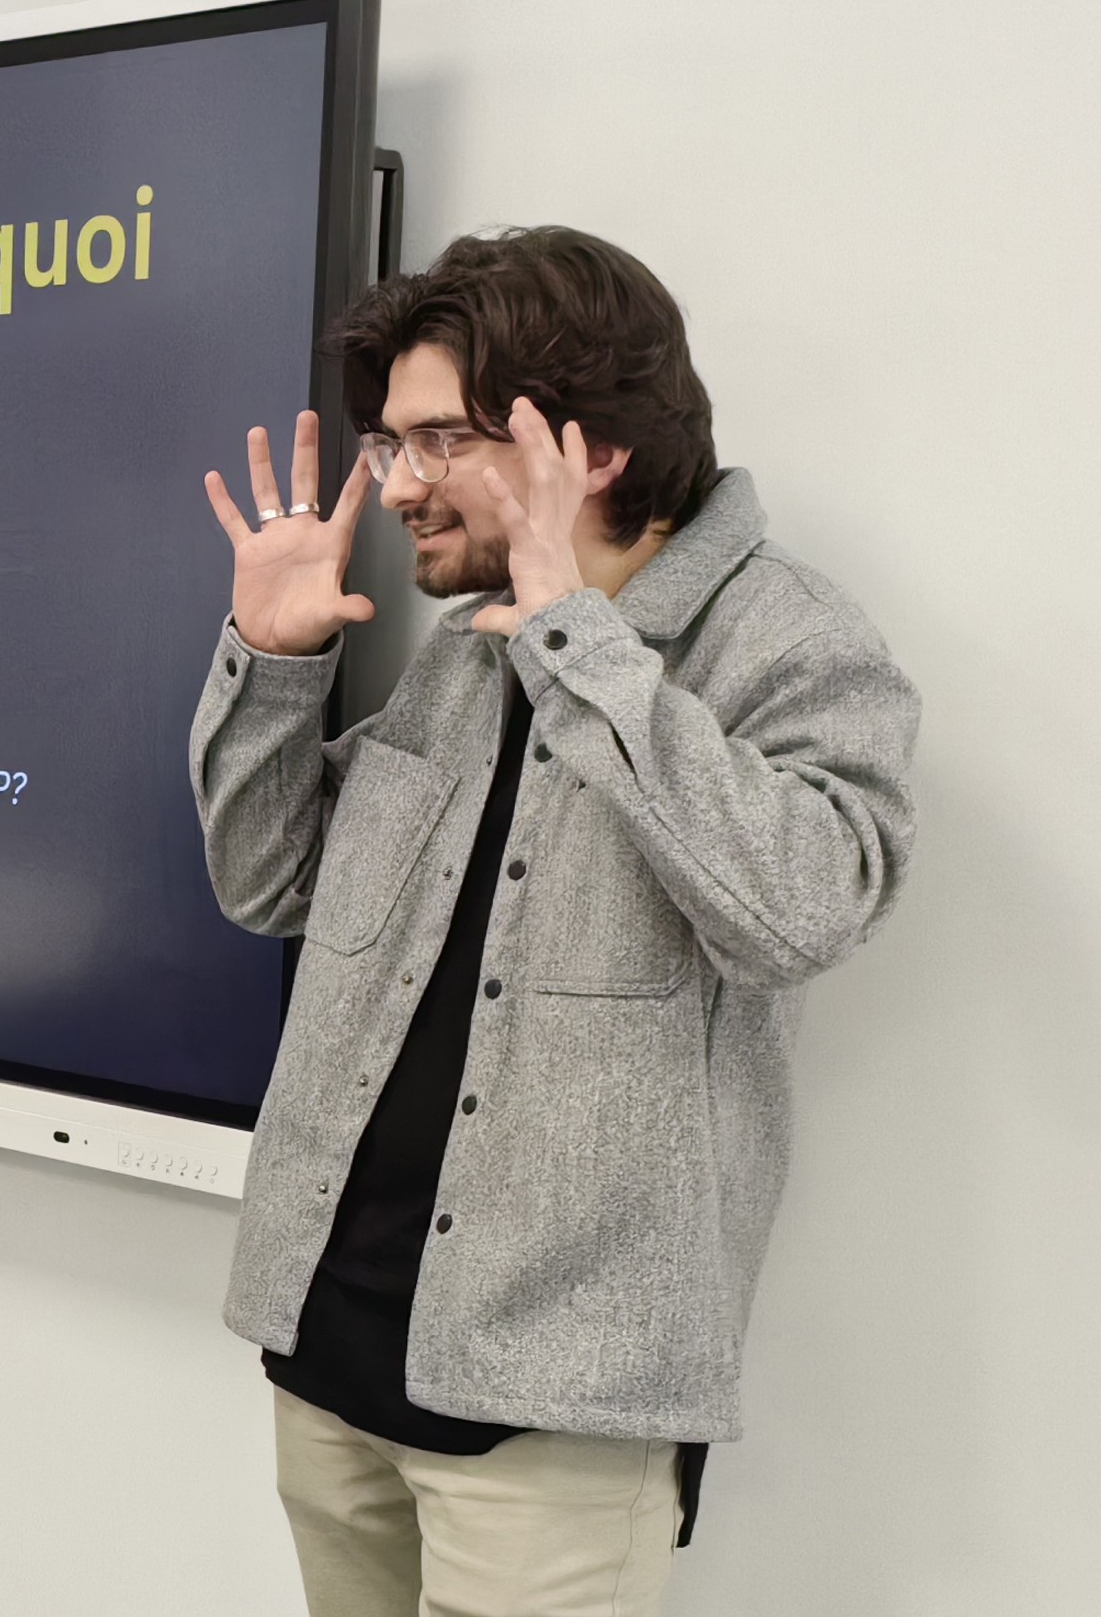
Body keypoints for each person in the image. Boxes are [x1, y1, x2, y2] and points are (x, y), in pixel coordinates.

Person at [192, 228, 918, 1615]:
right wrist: (277, 665)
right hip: (327, 1348)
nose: (396, 484)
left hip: (548, 1407)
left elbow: (803, 909)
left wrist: (576, 644)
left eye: (436, 439)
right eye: (386, 442)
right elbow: (269, 884)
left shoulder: (790, 640)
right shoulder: (455, 651)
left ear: (585, 446)